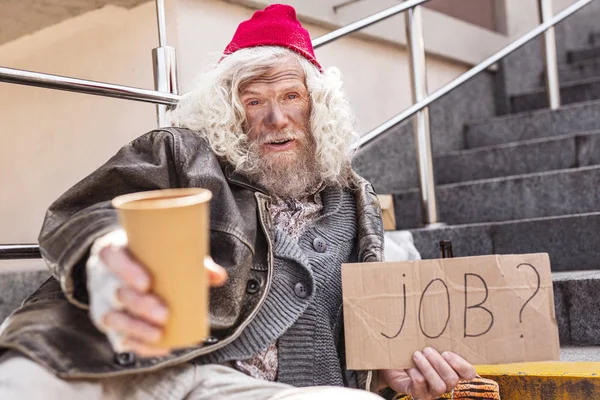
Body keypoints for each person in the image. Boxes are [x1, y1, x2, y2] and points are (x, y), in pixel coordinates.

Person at [0, 4, 476, 399]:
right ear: (228, 110)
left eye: (292, 95)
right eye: (254, 100)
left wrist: (387, 377)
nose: (275, 117)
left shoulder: (358, 202)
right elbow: (84, 213)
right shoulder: (180, 154)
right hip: (131, 366)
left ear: (317, 107)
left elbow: (364, 336)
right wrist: (108, 254)